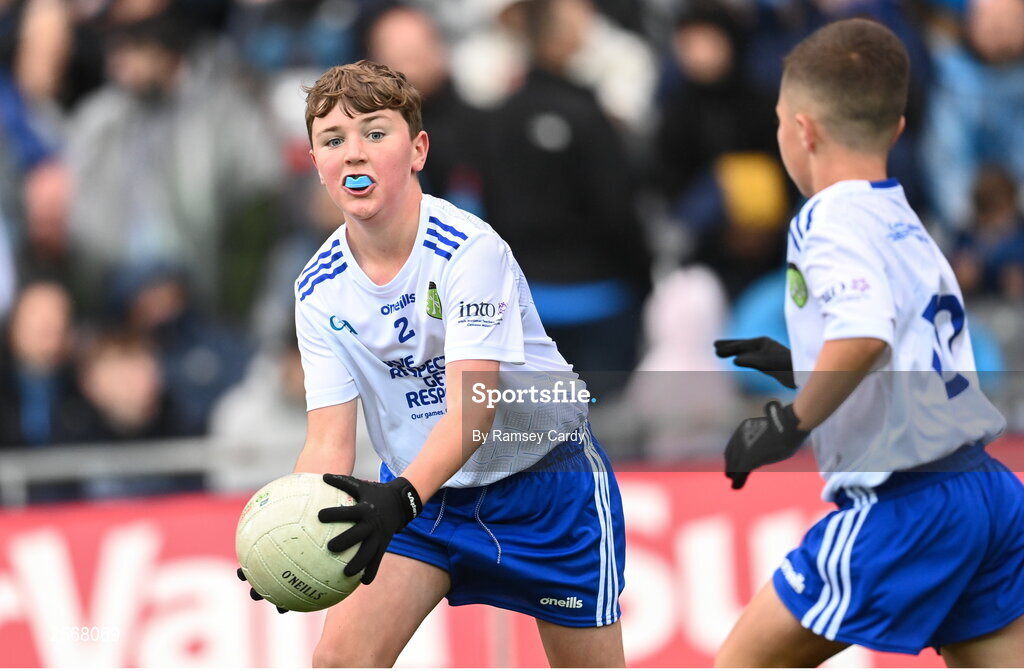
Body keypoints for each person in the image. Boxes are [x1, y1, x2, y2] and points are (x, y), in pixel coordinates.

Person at [236, 60, 626, 667]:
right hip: (427, 502)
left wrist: (401, 499)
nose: (353, 154)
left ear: (418, 149)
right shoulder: (316, 289)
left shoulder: (470, 250)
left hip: (547, 489)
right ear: (316, 164)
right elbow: (328, 444)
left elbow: (474, 411)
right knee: (338, 662)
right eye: (333, 141)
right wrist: (294, 536)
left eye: (375, 133)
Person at [712, 19, 1024, 667]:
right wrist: (799, 365)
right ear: (899, 130)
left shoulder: (827, 218)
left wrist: (789, 423)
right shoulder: (904, 218)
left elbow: (865, 333)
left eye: (777, 123)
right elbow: (898, 346)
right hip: (986, 493)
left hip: (906, 503)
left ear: (802, 129)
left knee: (739, 664)